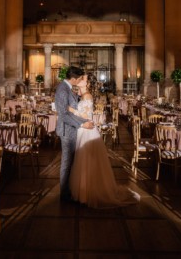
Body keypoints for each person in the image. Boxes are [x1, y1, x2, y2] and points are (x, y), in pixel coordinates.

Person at [68, 73, 140, 208]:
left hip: (87, 132)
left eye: (82, 78)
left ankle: (88, 193)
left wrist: (71, 110)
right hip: (82, 130)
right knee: (81, 162)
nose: (79, 79)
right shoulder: (81, 95)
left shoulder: (87, 95)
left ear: (87, 83)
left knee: (87, 162)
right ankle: (83, 192)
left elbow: (87, 115)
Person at [55, 66, 94, 202]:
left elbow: (72, 105)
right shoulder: (62, 89)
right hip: (67, 130)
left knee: (71, 162)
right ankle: (64, 195)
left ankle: (70, 190)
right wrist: (82, 124)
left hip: (72, 129)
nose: (79, 81)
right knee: (66, 163)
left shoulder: (68, 89)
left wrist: (81, 97)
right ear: (73, 79)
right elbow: (63, 114)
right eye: (79, 79)